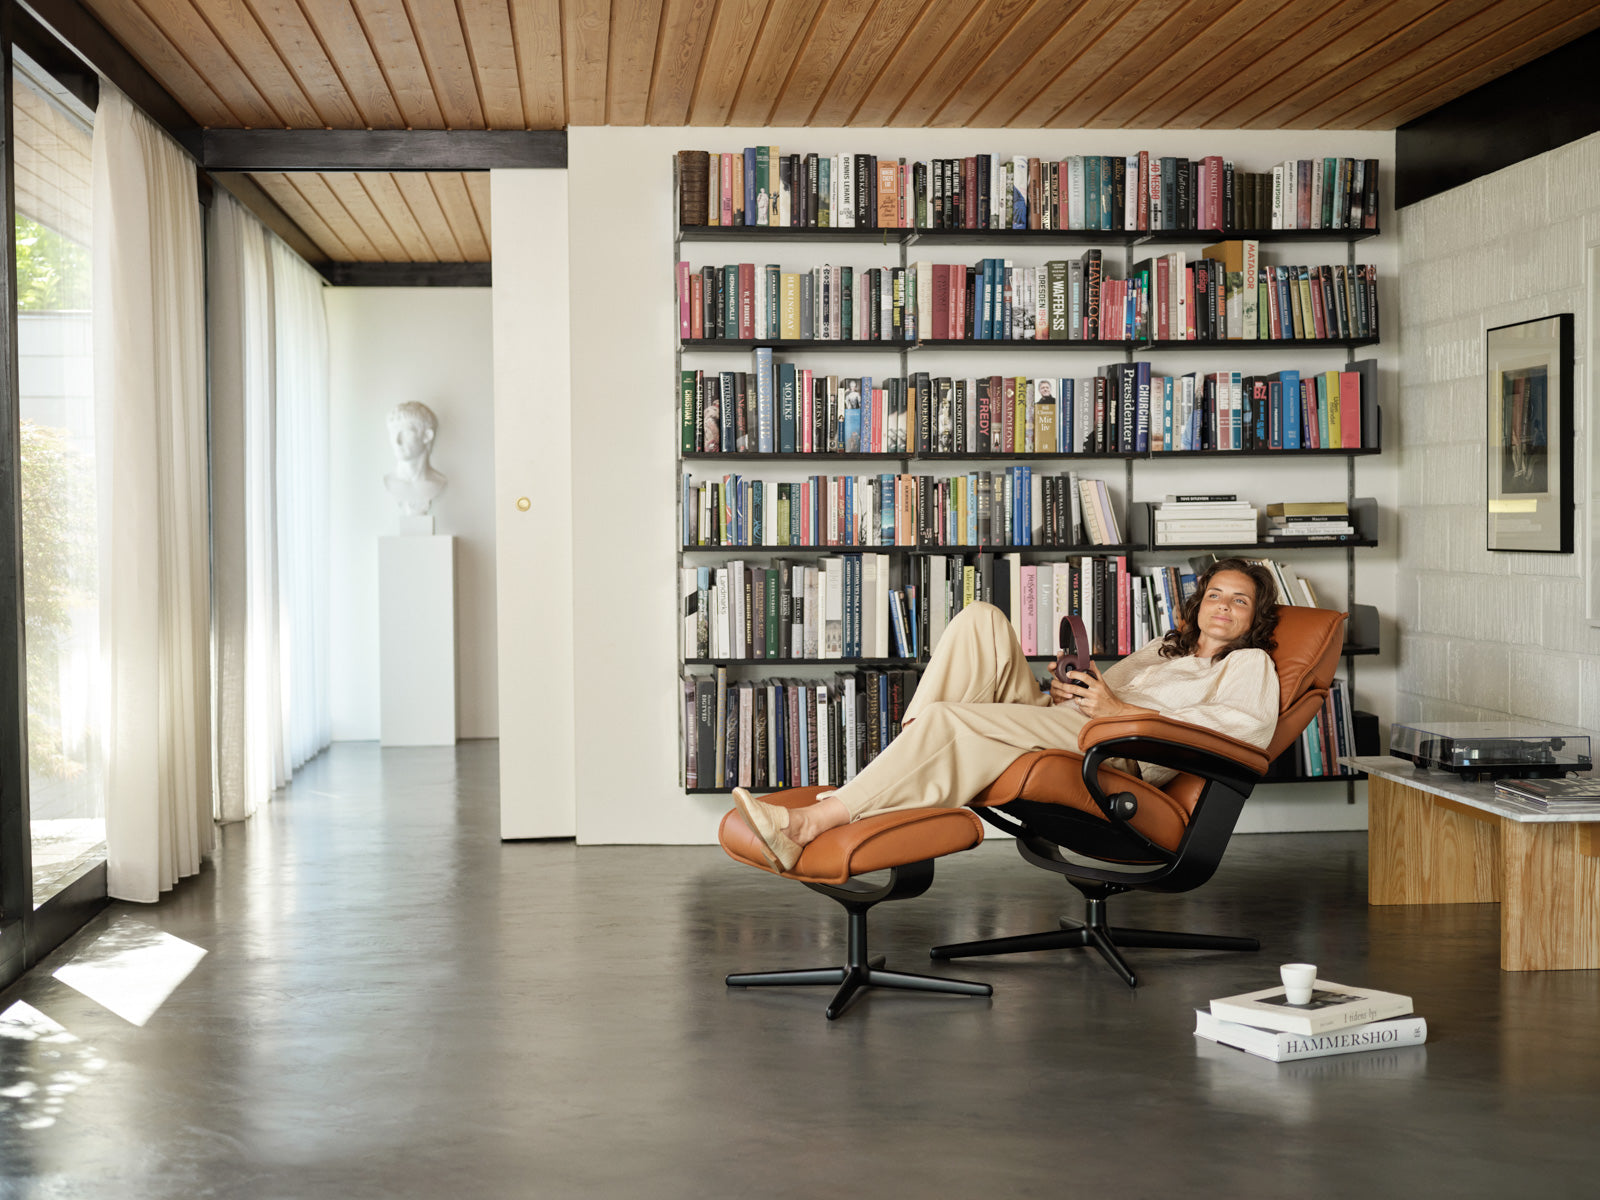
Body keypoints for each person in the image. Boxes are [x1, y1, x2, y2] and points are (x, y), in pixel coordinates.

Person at [733, 558, 1282, 872]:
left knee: (951, 719)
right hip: (1076, 724)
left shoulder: (1250, 663)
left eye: (1239, 600)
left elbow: (1240, 732)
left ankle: (809, 823)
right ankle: (899, 769)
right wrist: (1067, 688)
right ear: (1199, 602)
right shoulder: (1166, 647)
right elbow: (1101, 694)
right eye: (1215, 594)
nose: (1223, 607)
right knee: (980, 619)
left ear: (1254, 617)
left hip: (1118, 754)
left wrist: (1118, 710)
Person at [384, 401, 449, 517]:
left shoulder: (438, 482)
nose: (397, 441)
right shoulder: (389, 482)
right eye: (393, 432)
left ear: (427, 436)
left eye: (406, 432)